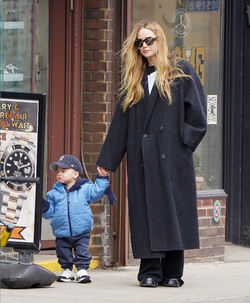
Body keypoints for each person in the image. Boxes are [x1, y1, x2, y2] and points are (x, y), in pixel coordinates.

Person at [97, 20, 207, 288]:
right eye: (139, 42)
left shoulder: (180, 71)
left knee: (172, 212)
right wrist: (107, 161)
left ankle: (172, 273)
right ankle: (149, 271)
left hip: (172, 157)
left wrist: (183, 144)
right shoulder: (135, 77)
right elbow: (120, 123)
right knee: (145, 212)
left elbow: (198, 115)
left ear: (160, 40)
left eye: (149, 40)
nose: (144, 46)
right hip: (142, 159)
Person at [42, 154, 116, 283]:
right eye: (58, 171)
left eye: (63, 171)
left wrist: (102, 178)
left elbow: (97, 191)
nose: (59, 174)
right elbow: (49, 213)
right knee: (63, 252)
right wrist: (43, 205)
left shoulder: (85, 189)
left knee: (82, 251)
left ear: (75, 174)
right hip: (62, 231)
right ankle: (67, 270)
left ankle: (82, 270)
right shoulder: (53, 194)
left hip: (81, 230)